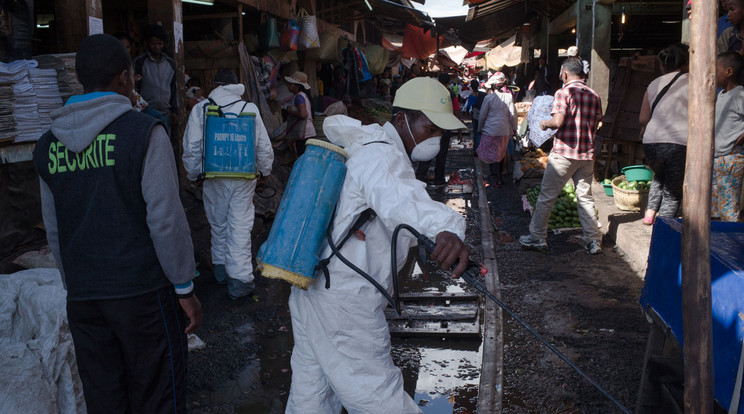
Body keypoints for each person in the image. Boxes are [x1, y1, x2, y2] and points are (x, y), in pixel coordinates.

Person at [32, 34, 202, 413]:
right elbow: (166, 219)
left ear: (79, 80)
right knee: (158, 395)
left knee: (106, 399)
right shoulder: (142, 132)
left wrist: (75, 284)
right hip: (142, 295)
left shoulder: (46, 146)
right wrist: (184, 287)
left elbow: (54, 227)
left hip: (84, 298)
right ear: (126, 78)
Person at [285, 77, 470, 413]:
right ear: (402, 120)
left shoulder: (369, 147)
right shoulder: (382, 157)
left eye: (441, 132)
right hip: (344, 300)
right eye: (430, 128)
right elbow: (403, 202)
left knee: (311, 392)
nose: (436, 139)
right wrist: (446, 228)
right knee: (378, 397)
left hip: (314, 286)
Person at [183, 69, 274, 299]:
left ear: (215, 85)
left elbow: (192, 146)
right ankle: (240, 280)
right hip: (243, 178)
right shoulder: (248, 109)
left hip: (214, 177)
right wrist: (264, 171)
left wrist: (193, 173)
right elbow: (263, 147)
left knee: (218, 223)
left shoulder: (201, 109)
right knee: (240, 225)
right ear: (236, 86)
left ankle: (221, 271)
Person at [519, 58, 603, 254]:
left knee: (547, 197)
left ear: (564, 73)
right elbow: (598, 122)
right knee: (585, 198)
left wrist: (544, 124)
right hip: (587, 155)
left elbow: (558, 121)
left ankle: (537, 237)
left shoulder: (563, 92)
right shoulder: (594, 94)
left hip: (564, 154)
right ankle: (593, 241)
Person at [638, 44, 690, 225]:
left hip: (651, 143)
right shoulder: (695, 81)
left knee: (659, 176)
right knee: (673, 193)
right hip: (678, 144)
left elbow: (643, 119)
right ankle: (664, 226)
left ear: (663, 65)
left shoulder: (654, 84)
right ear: (686, 62)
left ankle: (649, 214)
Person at [415, 73, 463, 188]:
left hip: (429, 127)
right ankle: (439, 179)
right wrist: (460, 131)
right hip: (444, 128)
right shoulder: (451, 95)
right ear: (448, 83)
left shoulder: (430, 94)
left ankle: (420, 178)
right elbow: (456, 112)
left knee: (426, 151)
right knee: (441, 155)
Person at [712, 52, 744, 222]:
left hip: (730, 159)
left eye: (716, 69)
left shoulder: (740, 95)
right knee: (714, 210)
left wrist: (740, 138)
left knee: (729, 211)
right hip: (718, 158)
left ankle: (731, 247)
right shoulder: (720, 95)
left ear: (729, 71)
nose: (712, 74)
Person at [134, 24, 178, 132]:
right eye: (153, 44)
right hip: (146, 112)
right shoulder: (140, 62)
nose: (157, 46)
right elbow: (135, 88)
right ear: (147, 44)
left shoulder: (170, 63)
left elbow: (173, 88)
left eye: (160, 43)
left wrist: (174, 110)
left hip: (165, 113)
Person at [478, 72, 517, 188]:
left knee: (489, 153)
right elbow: (513, 114)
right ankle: (499, 178)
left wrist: (479, 128)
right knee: (500, 153)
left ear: (494, 86)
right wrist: (514, 129)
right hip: (504, 130)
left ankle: (493, 176)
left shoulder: (489, 98)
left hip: (490, 130)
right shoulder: (509, 97)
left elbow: (482, 115)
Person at [284, 71, 317, 156]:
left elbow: (303, 114)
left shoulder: (299, 97)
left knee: (302, 157)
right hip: (308, 132)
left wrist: (289, 111)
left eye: (291, 84)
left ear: (297, 86)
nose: (288, 86)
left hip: (305, 133)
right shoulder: (303, 96)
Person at [718, 0, 744, 84]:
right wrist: (740, 54)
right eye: (728, 10)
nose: (728, 14)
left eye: (732, 9)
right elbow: (721, 65)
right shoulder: (728, 34)